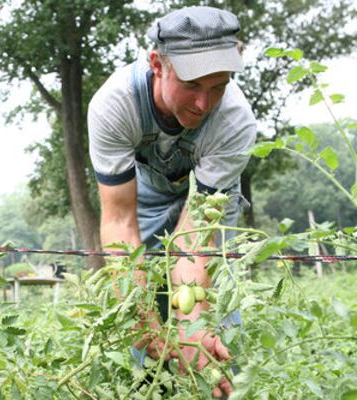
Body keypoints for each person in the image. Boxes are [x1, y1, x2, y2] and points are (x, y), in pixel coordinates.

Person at [87, 6, 257, 398]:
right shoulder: (115, 106)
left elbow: (193, 238)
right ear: (157, 65)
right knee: (140, 326)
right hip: (141, 196)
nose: (203, 104)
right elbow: (119, 222)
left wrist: (192, 331)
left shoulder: (234, 121)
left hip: (210, 204)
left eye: (218, 86)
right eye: (193, 84)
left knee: (216, 314)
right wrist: (142, 316)